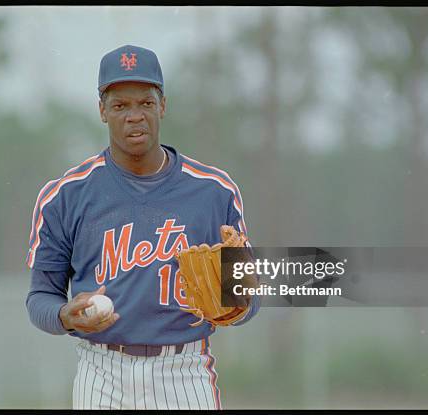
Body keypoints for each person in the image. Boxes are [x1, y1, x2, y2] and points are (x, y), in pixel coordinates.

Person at [25, 44, 260, 410]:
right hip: (101, 370)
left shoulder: (214, 191)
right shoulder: (65, 195)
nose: (134, 116)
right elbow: (40, 297)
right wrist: (63, 316)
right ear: (102, 111)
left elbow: (249, 299)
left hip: (184, 370)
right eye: (120, 106)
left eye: (145, 103)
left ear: (162, 105)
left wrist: (236, 306)